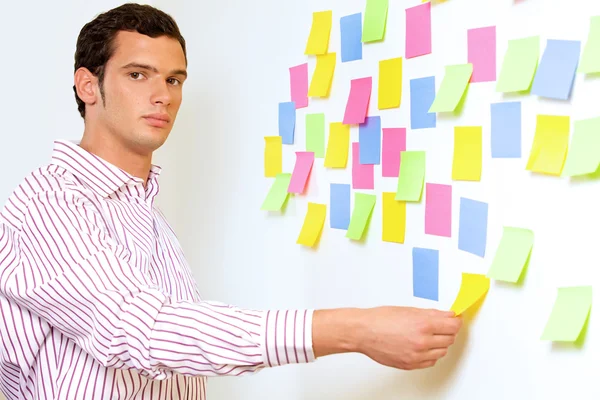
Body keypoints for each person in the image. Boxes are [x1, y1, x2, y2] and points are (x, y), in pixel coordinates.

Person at [0, 3, 462, 399]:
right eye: (138, 75)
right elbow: (142, 331)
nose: (162, 96)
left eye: (175, 79)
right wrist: (356, 330)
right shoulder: (50, 203)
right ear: (87, 86)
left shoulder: (141, 210)